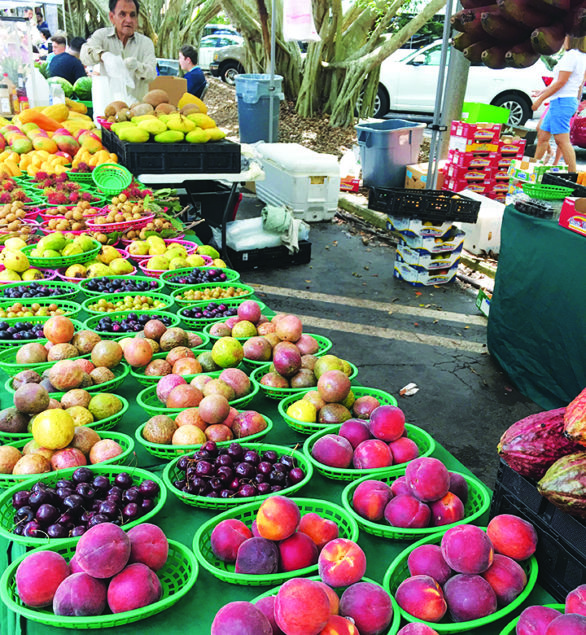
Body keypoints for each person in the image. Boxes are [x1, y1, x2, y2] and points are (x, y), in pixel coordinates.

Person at [80, 0, 156, 102]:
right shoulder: (101, 36)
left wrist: (137, 66)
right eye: (122, 14)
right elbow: (85, 56)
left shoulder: (146, 43)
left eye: (132, 15)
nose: (128, 20)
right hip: (108, 108)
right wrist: (103, 55)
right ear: (112, 17)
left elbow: (152, 75)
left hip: (137, 110)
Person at [533, 36, 586, 172]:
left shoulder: (571, 56)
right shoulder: (579, 55)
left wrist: (540, 100)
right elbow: (563, 81)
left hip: (562, 101)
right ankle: (534, 169)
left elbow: (561, 82)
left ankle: (572, 175)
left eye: (565, 37)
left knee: (562, 141)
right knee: (543, 136)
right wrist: (542, 92)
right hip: (562, 101)